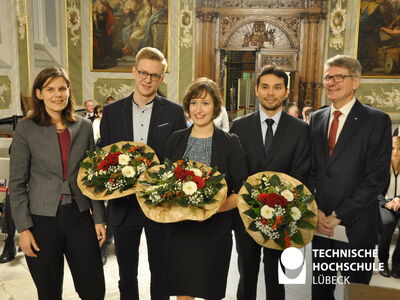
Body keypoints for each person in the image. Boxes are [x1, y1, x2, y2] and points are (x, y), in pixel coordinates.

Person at [9, 67, 106, 300]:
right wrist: (23, 229)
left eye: (62, 88)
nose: (57, 94)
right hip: (42, 221)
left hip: (80, 216)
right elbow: (18, 183)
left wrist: (99, 218)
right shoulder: (26, 128)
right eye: (50, 89)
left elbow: (91, 176)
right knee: (49, 291)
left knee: (93, 289)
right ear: (40, 94)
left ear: (69, 91)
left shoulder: (83, 126)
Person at [100, 47, 187, 300]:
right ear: (133, 72)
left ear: (162, 78)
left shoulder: (172, 112)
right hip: (123, 206)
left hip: (160, 205)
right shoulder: (113, 112)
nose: (148, 80)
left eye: (155, 75)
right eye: (143, 73)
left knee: (161, 271)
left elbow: (177, 160)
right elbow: (104, 160)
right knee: (127, 273)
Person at [309, 55, 392, 299]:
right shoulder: (316, 118)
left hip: (357, 226)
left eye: (338, 77)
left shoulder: (376, 120)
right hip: (321, 226)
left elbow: (376, 178)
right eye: (327, 77)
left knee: (355, 292)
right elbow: (312, 169)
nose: (331, 82)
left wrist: (339, 216)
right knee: (321, 290)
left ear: (356, 81)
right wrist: (316, 211)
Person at [230, 65, 310, 300]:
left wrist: (278, 210)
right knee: (247, 277)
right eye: (265, 87)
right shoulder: (239, 126)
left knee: (277, 280)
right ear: (256, 90)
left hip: (284, 219)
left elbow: (301, 173)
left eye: (277, 87)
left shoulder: (300, 130)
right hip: (246, 217)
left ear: (287, 92)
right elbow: (236, 173)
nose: (270, 93)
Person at [163, 77, 248, 300]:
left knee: (211, 291)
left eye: (205, 103)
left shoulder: (230, 142)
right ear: (187, 107)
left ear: (216, 108)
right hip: (180, 230)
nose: (198, 109)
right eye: (194, 103)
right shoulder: (175, 140)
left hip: (215, 231)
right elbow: (164, 184)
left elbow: (241, 192)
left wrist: (211, 210)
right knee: (183, 292)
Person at [378, 136, 400, 278]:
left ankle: (397, 262)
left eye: (399, 148)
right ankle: (383, 261)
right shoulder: (381, 165)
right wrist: (386, 203)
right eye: (392, 148)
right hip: (384, 203)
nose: (396, 151)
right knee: (387, 223)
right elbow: (373, 190)